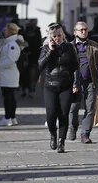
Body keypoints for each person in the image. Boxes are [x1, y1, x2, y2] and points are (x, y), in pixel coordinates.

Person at [38, 23, 80, 153]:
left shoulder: (69, 47)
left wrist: (76, 83)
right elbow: (40, 65)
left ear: (63, 35)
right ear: (50, 37)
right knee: (51, 115)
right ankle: (53, 135)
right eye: (54, 36)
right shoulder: (46, 48)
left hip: (66, 86)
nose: (57, 38)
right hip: (50, 86)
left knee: (63, 114)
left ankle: (61, 142)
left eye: (59, 35)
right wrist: (50, 51)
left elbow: (76, 67)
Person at [69, 21, 98, 144]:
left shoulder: (95, 46)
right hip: (74, 83)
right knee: (73, 108)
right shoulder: (69, 47)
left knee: (90, 108)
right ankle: (73, 128)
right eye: (81, 30)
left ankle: (85, 133)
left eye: (85, 29)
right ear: (75, 32)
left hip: (91, 81)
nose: (84, 32)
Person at [0, 23, 26, 127]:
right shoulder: (8, 42)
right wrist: (0, 40)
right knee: (10, 96)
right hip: (8, 73)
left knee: (8, 97)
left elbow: (11, 59)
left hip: (9, 73)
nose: (4, 32)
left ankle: (8, 117)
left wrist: (0, 65)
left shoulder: (12, 44)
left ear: (10, 31)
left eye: (5, 30)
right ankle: (12, 118)